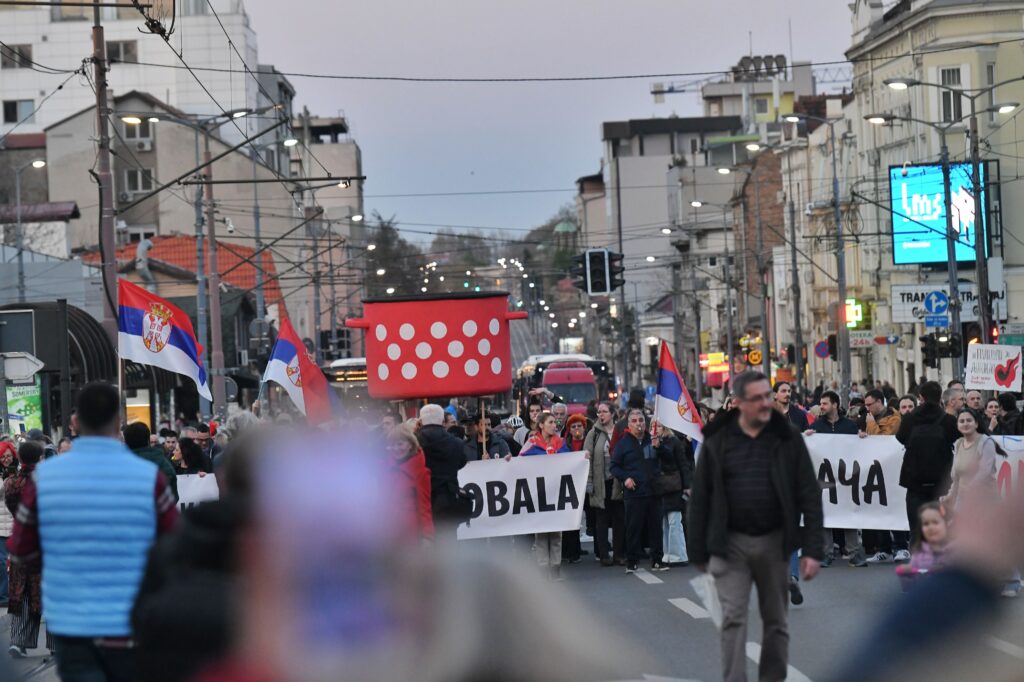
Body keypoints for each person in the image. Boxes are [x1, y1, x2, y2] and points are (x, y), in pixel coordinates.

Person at [6, 381, 178, 681]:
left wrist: (55, 565)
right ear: (119, 422)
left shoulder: (45, 479)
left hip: (73, 621)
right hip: (131, 620)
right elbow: (175, 545)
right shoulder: (149, 478)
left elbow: (20, 547)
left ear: (74, 422)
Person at [688, 371, 824, 682]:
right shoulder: (718, 439)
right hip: (729, 543)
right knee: (732, 619)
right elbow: (701, 497)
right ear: (738, 403)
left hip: (774, 541)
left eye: (768, 396)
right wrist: (698, 549)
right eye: (757, 398)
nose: (766, 403)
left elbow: (808, 493)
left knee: (776, 621)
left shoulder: (787, 437)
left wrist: (813, 549)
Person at [4, 440, 54, 658]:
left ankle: (18, 641)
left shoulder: (11, 483)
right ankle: (56, 644)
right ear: (41, 458)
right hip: (46, 544)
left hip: (21, 542)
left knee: (22, 592)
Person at [896, 380, 958, 541]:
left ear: (921, 397)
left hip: (914, 480)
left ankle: (919, 560)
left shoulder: (909, 419)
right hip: (942, 482)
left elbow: (900, 438)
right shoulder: (948, 420)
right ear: (940, 398)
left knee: (917, 527)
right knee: (941, 526)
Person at [610, 409, 668, 574]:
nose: (638, 424)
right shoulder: (623, 444)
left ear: (646, 422)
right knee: (633, 528)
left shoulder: (653, 440)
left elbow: (670, 459)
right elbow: (614, 466)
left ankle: (657, 560)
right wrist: (625, 478)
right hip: (634, 493)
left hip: (654, 491)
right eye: (634, 421)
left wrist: (660, 447)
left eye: (641, 420)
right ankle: (632, 562)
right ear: (629, 424)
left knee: (656, 529)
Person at [859, 390, 909, 565]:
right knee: (879, 507)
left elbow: (883, 438)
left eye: (869, 404)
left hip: (892, 469)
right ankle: (884, 548)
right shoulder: (870, 417)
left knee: (894, 506)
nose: (867, 408)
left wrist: (871, 426)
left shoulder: (893, 418)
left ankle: (901, 546)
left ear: (880, 402)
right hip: (876, 468)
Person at [521, 413, 571, 580]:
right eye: (550, 422)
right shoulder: (532, 443)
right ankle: (543, 568)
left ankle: (555, 568)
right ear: (541, 425)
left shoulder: (561, 443)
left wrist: (582, 458)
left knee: (556, 533)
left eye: (555, 422)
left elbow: (571, 461)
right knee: (541, 533)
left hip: (557, 493)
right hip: (539, 494)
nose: (554, 425)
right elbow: (519, 462)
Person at [417, 404, 469, 533]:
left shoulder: (415, 442)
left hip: (421, 502)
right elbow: (461, 462)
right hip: (448, 501)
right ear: (443, 422)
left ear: (421, 421)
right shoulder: (456, 443)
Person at [585, 402, 624, 567]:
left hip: (617, 482)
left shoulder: (621, 431)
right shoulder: (593, 434)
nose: (601, 415)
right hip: (601, 482)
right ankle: (604, 555)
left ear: (612, 413)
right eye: (599, 412)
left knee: (619, 519)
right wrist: (589, 482)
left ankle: (619, 554)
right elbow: (587, 460)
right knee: (601, 520)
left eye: (604, 411)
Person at [942, 408, 1001, 512]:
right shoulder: (958, 443)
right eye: (961, 421)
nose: (965, 424)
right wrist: (950, 496)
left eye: (969, 420)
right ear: (957, 425)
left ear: (976, 424)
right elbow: (956, 477)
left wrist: (966, 492)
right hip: (963, 499)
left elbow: (984, 472)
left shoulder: (986, 442)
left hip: (985, 500)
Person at [388, 427, 435, 542]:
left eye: (400, 444)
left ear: (410, 445)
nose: (396, 448)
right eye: (393, 445)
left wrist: (427, 537)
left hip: (410, 535)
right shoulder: (387, 467)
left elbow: (425, 507)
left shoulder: (421, 473)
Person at [895, 502, 951, 591]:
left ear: (947, 524)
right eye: (926, 524)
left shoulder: (956, 551)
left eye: (935, 522)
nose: (930, 527)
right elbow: (910, 586)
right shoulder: (919, 552)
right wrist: (906, 575)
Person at [658, 424, 692, 566]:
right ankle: (667, 554)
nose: (655, 428)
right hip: (660, 487)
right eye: (653, 425)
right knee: (664, 522)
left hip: (673, 486)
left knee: (674, 521)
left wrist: (686, 486)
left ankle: (679, 555)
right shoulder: (652, 441)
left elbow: (683, 464)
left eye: (658, 426)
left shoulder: (674, 442)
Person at [124, 422, 179, 501]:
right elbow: (173, 496)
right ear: (148, 441)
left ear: (126, 442)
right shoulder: (163, 463)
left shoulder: (120, 465)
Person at [561, 413, 590, 563]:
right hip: (571, 485)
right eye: (573, 426)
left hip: (587, 484)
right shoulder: (565, 444)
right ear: (569, 430)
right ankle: (571, 551)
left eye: (579, 425)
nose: (577, 428)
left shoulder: (589, 442)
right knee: (571, 520)